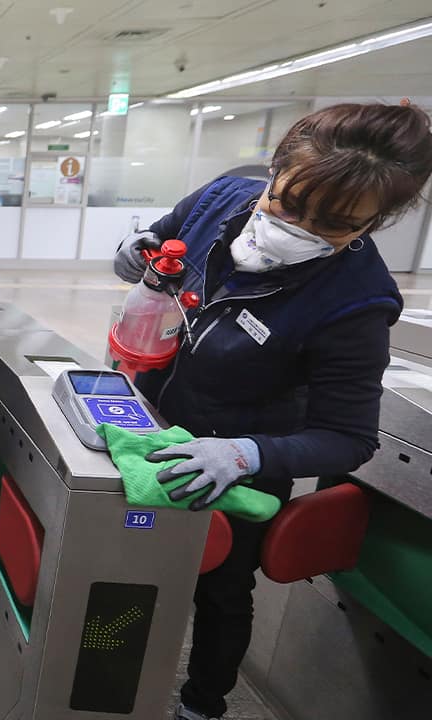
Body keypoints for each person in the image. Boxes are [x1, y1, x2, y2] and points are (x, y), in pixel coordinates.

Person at [112, 102, 432, 720]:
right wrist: (136, 252)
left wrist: (242, 454)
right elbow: (163, 243)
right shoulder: (222, 200)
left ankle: (202, 705)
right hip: (151, 423)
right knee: (130, 561)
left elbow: (346, 437)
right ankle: (113, 678)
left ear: (374, 223)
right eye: (287, 202)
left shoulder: (356, 302)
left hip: (237, 461)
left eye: (334, 224)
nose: (298, 226)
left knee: (223, 589)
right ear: (276, 171)